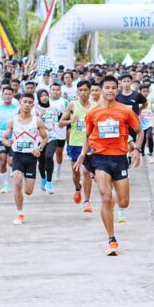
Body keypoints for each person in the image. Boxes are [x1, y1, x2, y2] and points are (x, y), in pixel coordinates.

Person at [74, 75, 145, 256]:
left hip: (120, 158)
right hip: (99, 158)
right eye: (107, 87)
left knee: (123, 202)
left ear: (118, 89)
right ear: (101, 90)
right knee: (106, 198)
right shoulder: (93, 113)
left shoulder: (125, 111)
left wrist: (136, 149)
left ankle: (115, 196)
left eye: (114, 87)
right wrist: (83, 154)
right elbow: (88, 136)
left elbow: (139, 132)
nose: (111, 90)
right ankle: (111, 240)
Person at [0, 93, 49, 224]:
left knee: (28, 191)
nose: (27, 105)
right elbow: (4, 138)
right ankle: (20, 214)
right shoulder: (13, 120)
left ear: (33, 105)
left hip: (31, 157)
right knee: (17, 182)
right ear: (20, 103)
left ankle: (22, 194)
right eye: (25, 102)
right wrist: (6, 142)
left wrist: (39, 148)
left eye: (29, 102)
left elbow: (45, 138)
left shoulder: (37, 121)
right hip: (17, 155)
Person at [62, 80, 96, 212]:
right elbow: (61, 123)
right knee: (76, 173)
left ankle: (87, 202)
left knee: (86, 172)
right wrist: (72, 120)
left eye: (85, 90)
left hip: (90, 144)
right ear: (77, 92)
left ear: (89, 91)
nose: (83, 93)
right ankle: (77, 188)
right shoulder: (72, 105)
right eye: (80, 90)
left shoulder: (95, 106)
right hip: (75, 144)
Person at [0, 86, 19, 193]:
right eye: (5, 94)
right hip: (1, 137)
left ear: (12, 95)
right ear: (2, 95)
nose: (7, 96)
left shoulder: (17, 108)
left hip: (13, 138)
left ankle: (16, 178)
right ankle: (5, 184)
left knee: (11, 162)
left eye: (9, 94)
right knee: (2, 161)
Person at [34, 89, 61, 194]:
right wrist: (39, 116)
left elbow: (60, 118)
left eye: (46, 95)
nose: (44, 97)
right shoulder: (35, 109)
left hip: (52, 137)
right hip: (40, 139)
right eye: (42, 96)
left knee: (49, 157)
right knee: (41, 161)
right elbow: (32, 123)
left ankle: (49, 182)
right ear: (38, 98)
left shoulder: (54, 108)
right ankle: (43, 179)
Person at [49, 83, 70, 178]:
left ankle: (58, 168)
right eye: (53, 89)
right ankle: (49, 170)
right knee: (49, 153)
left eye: (57, 90)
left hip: (61, 131)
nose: (55, 92)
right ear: (50, 91)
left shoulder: (65, 102)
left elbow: (69, 115)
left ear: (60, 91)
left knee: (59, 152)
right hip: (49, 131)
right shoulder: (46, 101)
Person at [138, 83, 154, 163]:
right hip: (141, 123)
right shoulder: (137, 101)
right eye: (143, 91)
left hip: (149, 123)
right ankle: (142, 151)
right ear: (140, 92)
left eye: (146, 91)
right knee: (143, 139)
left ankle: (151, 151)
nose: (145, 93)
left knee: (149, 136)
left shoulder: (150, 101)